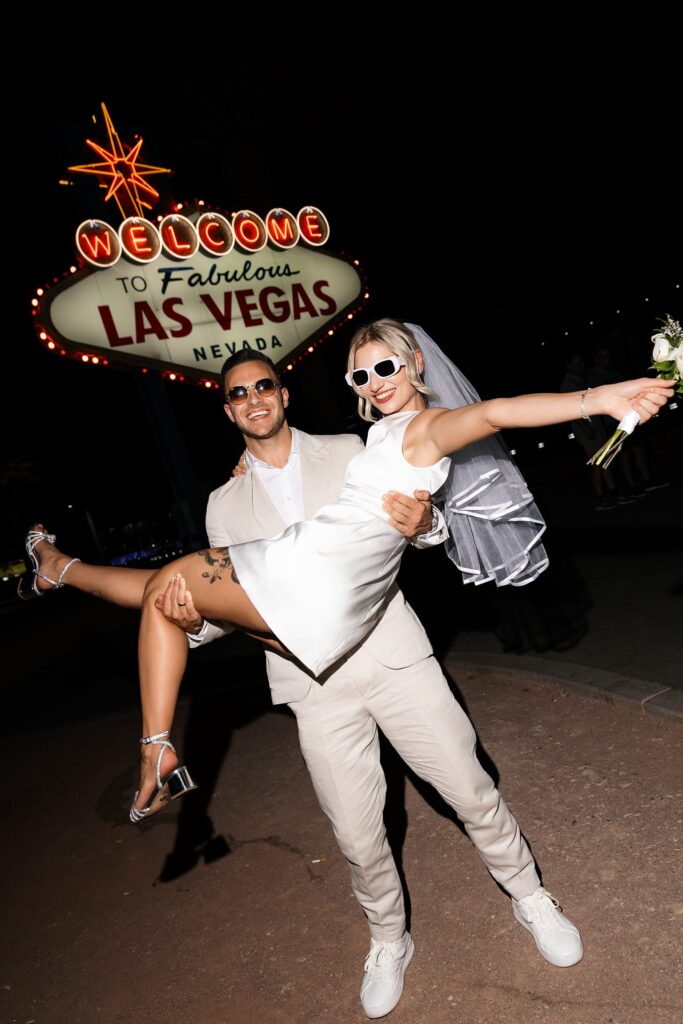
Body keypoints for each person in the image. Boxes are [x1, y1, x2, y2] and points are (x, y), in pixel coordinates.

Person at [22, 322, 672, 1019]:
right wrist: (192, 618)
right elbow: (232, 614)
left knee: (470, 790)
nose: (253, 400)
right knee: (355, 832)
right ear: (229, 411)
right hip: (308, 669)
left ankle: (529, 897)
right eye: (359, 377)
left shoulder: (357, 444)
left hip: (389, 658)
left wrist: (592, 401)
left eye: (263, 385)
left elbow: (462, 460)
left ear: (283, 391)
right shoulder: (223, 501)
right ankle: (388, 939)